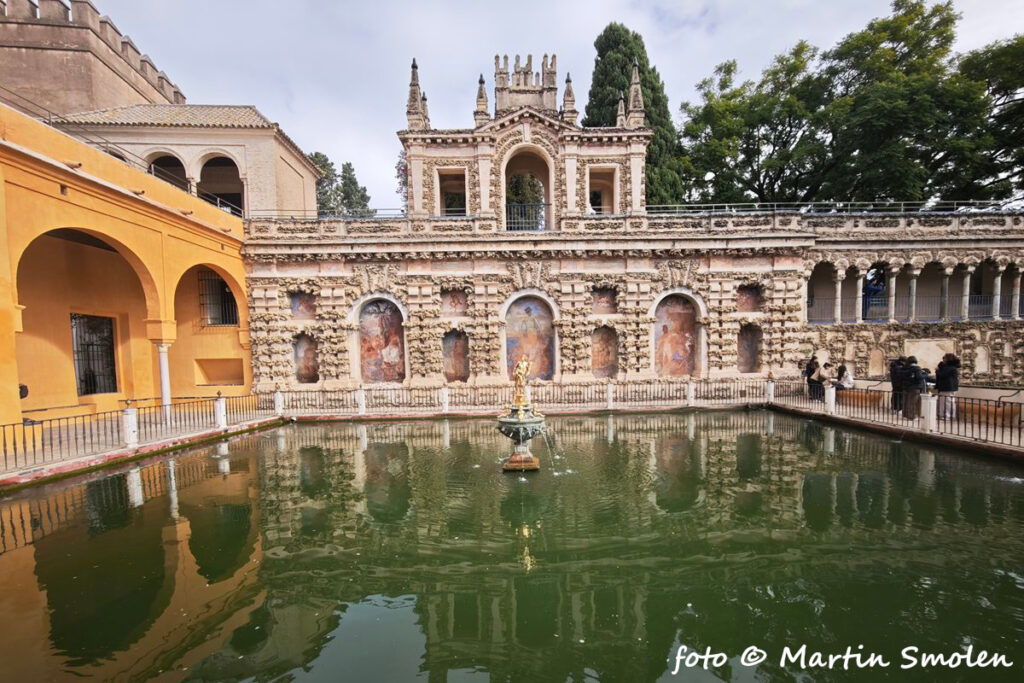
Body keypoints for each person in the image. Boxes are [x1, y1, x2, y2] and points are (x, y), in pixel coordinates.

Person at [935, 353, 961, 420]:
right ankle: (942, 414)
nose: (943, 360)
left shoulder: (951, 368)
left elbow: (942, 375)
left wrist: (938, 371)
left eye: (945, 358)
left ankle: (948, 415)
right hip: (944, 387)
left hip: (948, 387)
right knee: (942, 401)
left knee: (948, 402)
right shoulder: (946, 367)